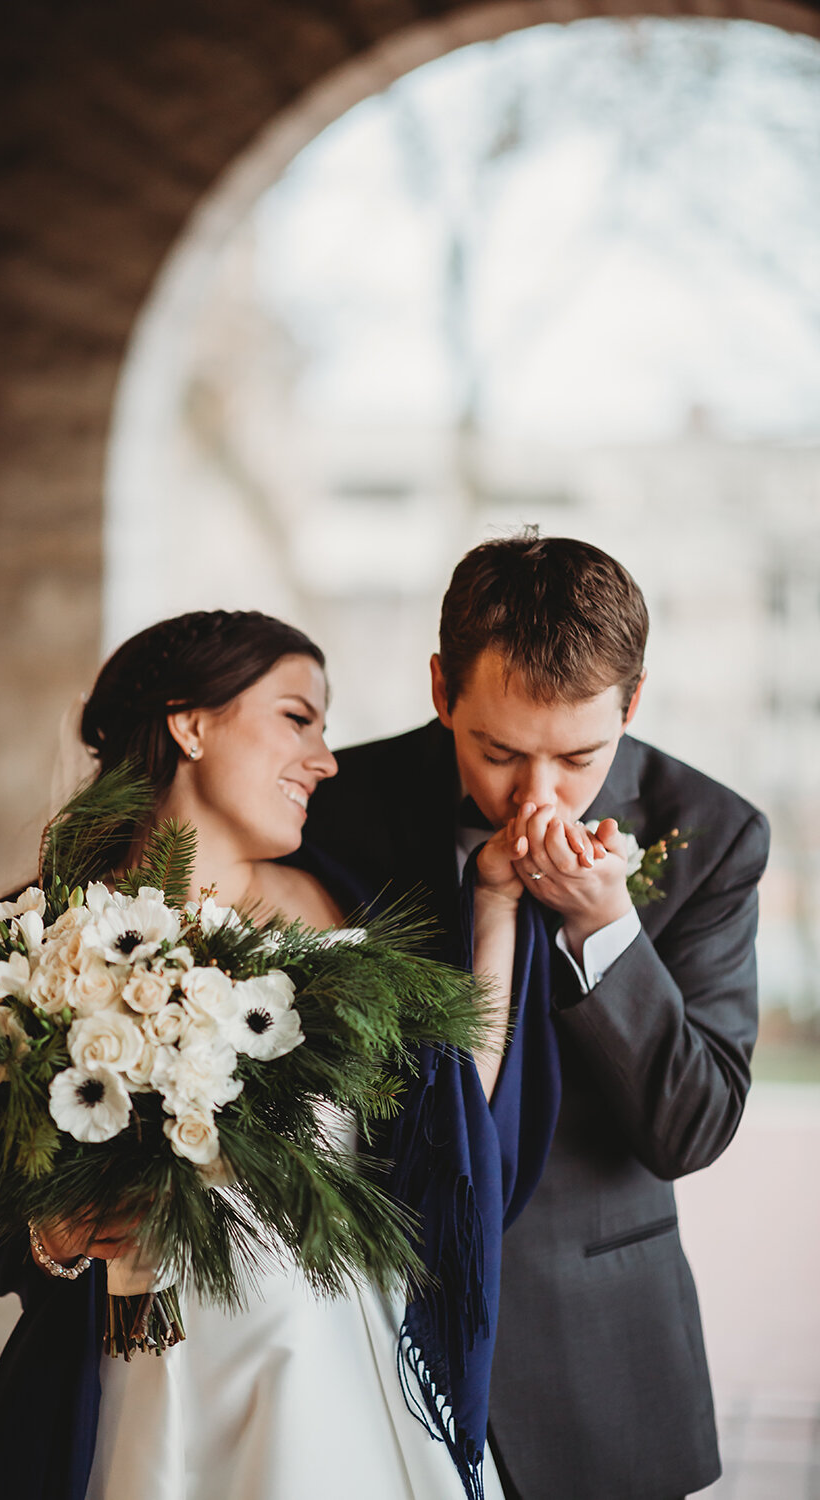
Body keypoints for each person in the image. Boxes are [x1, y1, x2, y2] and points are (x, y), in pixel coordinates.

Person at [0, 609, 555, 1500]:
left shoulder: (351, 906)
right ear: (191, 723)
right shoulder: (36, 937)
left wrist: (495, 909)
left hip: (337, 1370)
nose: (326, 759)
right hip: (125, 1376)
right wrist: (51, 1235)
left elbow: (450, 1128)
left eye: (326, 729)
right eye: (298, 718)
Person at [305, 533, 769, 1500]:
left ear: (632, 705)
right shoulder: (331, 809)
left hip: (595, 1351)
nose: (538, 798)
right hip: (350, 1341)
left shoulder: (717, 836)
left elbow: (692, 1126)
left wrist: (606, 926)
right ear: (443, 691)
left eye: (580, 756)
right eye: (499, 752)